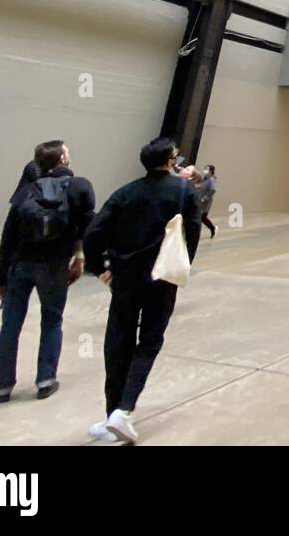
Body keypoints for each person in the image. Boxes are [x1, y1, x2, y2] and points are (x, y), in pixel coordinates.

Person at [82, 136, 201, 444]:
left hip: (125, 278)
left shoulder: (126, 192)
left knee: (118, 341)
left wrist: (100, 268)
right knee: (149, 340)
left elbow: (93, 232)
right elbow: (194, 230)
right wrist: (183, 263)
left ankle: (112, 416)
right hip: (162, 277)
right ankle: (124, 409)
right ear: (169, 160)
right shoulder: (183, 190)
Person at [0, 141, 95, 402]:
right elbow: (88, 228)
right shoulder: (80, 186)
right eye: (67, 150)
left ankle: (3, 386)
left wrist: (2, 278)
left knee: (10, 326)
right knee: (52, 321)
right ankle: (45, 380)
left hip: (21, 264)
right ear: (62, 158)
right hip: (55, 265)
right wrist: (80, 259)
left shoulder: (26, 191)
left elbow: (8, 237)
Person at [194, 164, 218, 238]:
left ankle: (212, 228)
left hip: (204, 203)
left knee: (202, 217)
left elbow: (213, 190)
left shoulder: (211, 180)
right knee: (200, 217)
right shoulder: (205, 178)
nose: (204, 171)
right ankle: (211, 228)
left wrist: (205, 198)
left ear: (211, 171)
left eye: (206, 169)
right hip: (199, 201)